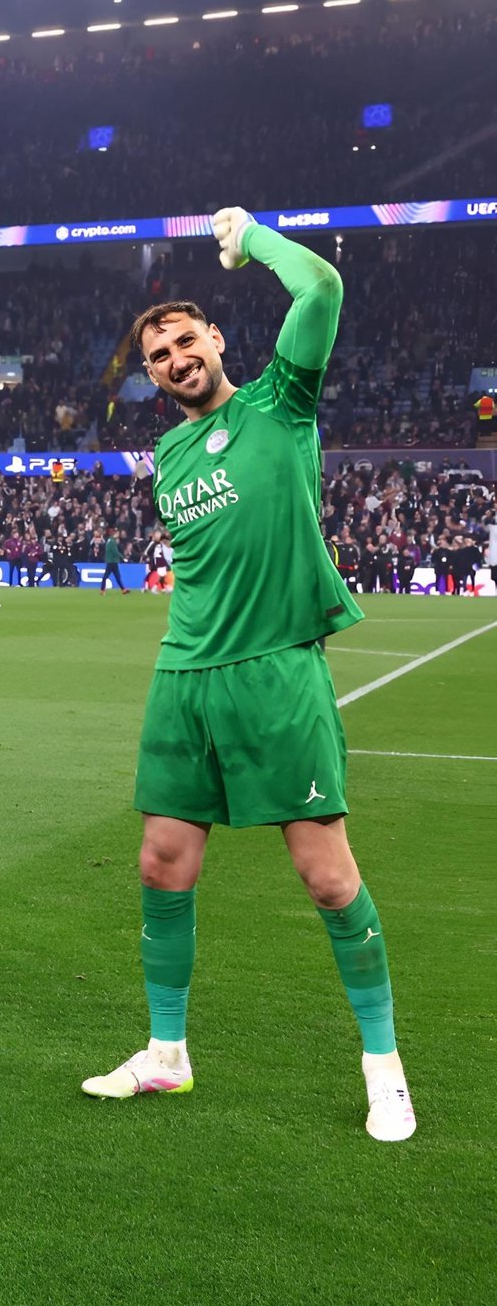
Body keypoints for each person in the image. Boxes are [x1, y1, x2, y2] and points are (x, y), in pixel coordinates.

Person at [83, 207, 415, 1143]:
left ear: (217, 339)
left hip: (275, 673)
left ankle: (385, 1069)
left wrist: (254, 238)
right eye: (159, 355)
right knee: (161, 861)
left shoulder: (281, 403)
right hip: (185, 674)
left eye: (186, 341)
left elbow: (323, 287)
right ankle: (167, 1051)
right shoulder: (168, 453)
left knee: (327, 876)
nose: (175, 359)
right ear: (152, 376)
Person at [98, 527, 128, 593]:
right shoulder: (112, 541)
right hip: (112, 561)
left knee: (117, 576)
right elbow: (115, 551)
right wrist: (123, 558)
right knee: (107, 576)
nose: (118, 535)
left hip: (111, 560)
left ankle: (123, 589)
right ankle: (102, 589)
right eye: (117, 533)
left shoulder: (109, 540)